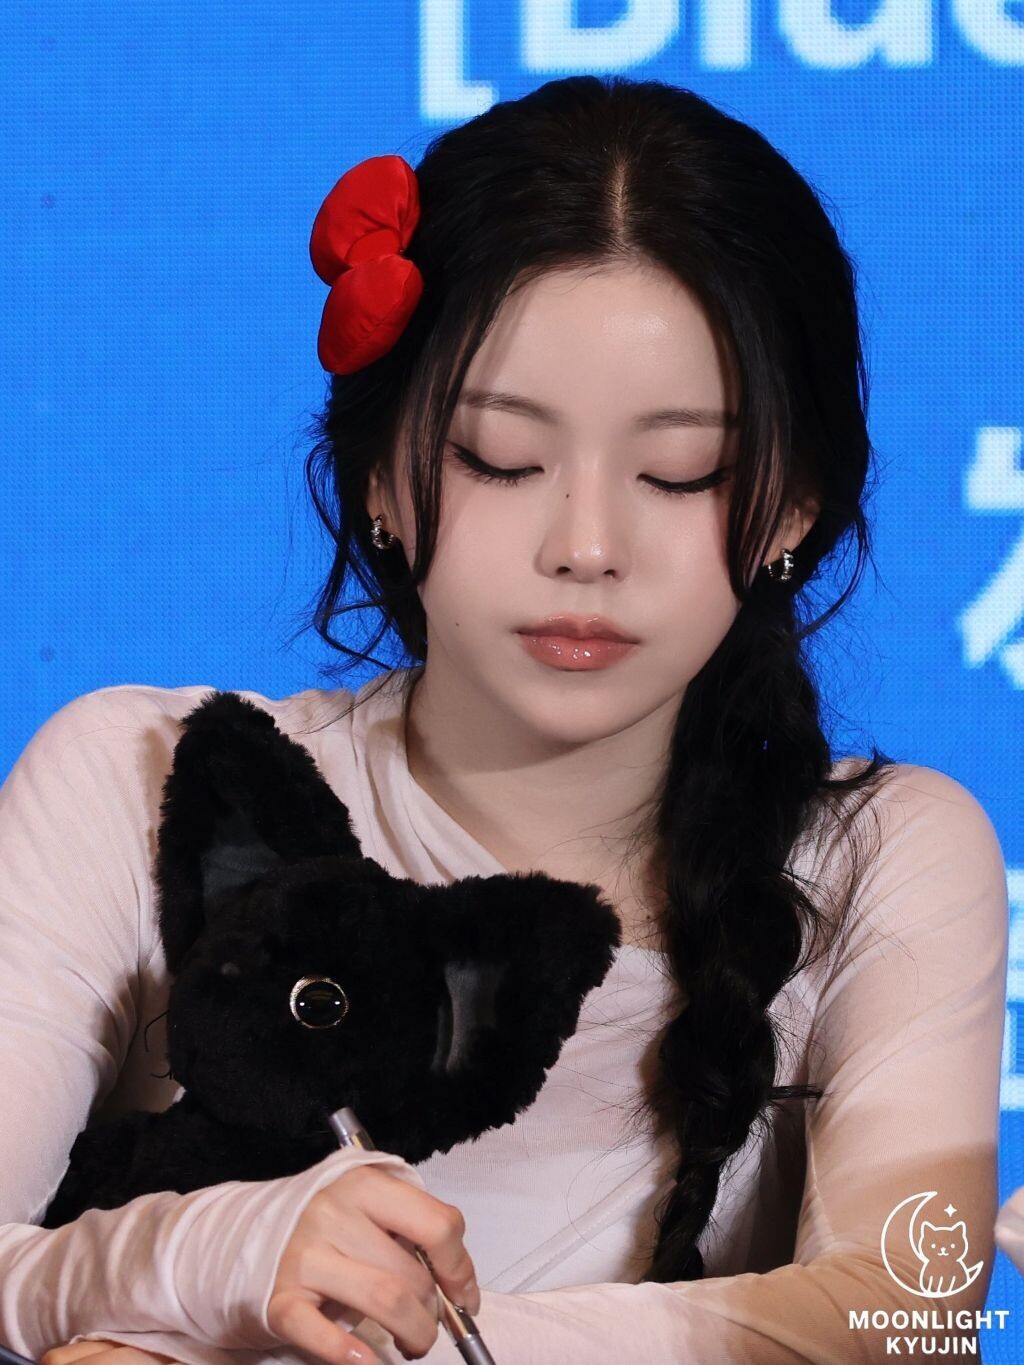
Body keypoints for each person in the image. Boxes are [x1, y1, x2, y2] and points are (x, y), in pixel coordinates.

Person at [1, 74, 1009, 1365]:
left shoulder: (882, 853)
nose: (586, 544)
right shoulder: (144, 774)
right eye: (501, 457)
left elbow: (906, 1314)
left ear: (796, 507)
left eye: (681, 471)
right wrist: (210, 1256)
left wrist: (277, 1343)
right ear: (382, 475)